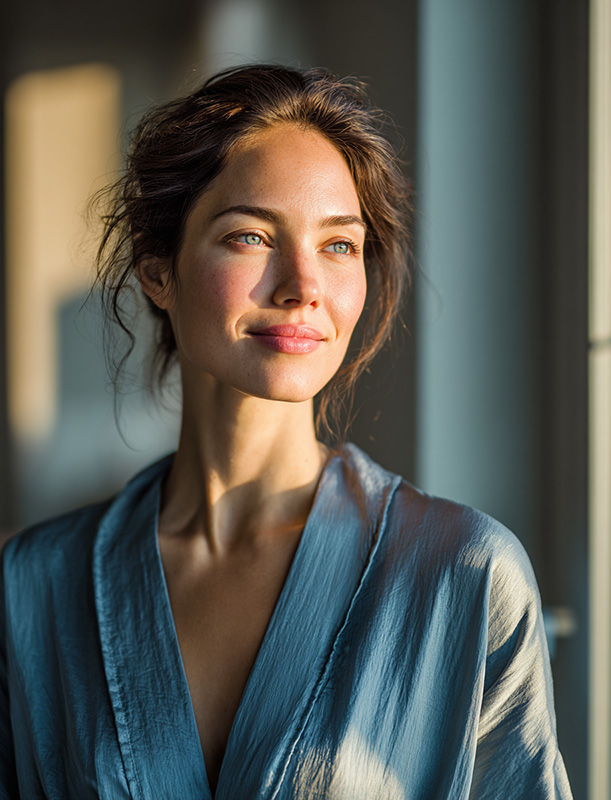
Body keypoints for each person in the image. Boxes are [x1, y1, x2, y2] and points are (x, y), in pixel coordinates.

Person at [0, 65, 572, 799]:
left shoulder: (464, 576)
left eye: (338, 245)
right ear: (156, 269)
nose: (303, 284)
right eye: (250, 236)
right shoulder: (35, 590)